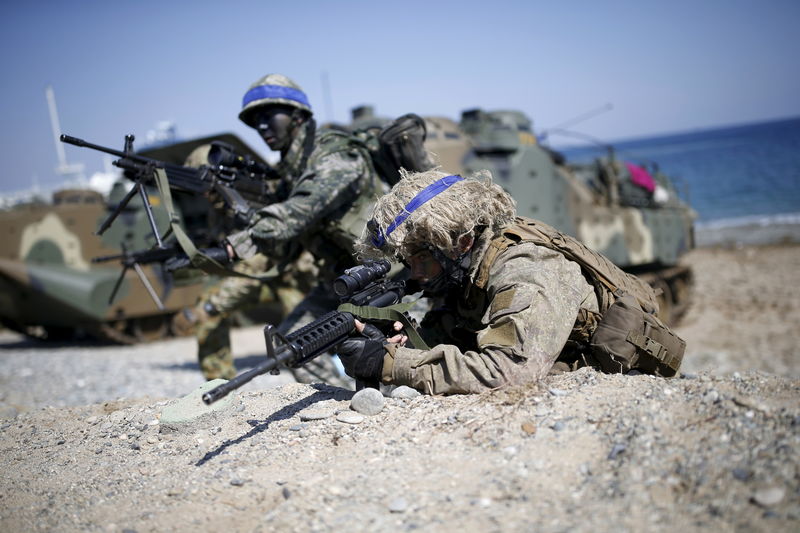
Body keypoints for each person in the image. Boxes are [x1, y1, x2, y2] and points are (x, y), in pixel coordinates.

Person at [337, 169, 682, 395]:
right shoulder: (464, 270)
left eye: (420, 258)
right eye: (406, 261)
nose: (413, 273)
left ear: (461, 240)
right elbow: (451, 339)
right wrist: (394, 344)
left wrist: (390, 363)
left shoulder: (527, 270)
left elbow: (511, 373)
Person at [187, 73, 383, 385]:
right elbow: (284, 248)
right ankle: (342, 404)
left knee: (400, 366)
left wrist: (235, 245)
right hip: (344, 280)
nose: (261, 126)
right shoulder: (289, 172)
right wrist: (230, 203)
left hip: (392, 276)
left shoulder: (332, 152)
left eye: (268, 116)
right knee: (291, 346)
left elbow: (299, 210)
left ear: (297, 115)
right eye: (254, 121)